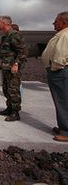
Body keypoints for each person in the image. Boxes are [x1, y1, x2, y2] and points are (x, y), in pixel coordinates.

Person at [41, 11, 68, 142]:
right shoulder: (61, 34)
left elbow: (61, 56)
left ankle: (67, 131)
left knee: (63, 101)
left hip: (60, 71)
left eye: (56, 21)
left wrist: (55, 67)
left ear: (64, 22)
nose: (53, 23)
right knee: (60, 100)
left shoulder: (65, 35)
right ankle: (63, 127)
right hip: (58, 71)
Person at [0, 16, 28, 121]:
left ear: (5, 24)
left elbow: (22, 52)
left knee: (13, 89)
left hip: (12, 67)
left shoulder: (15, 35)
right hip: (5, 66)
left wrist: (16, 64)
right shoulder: (5, 37)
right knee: (6, 89)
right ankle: (9, 108)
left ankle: (15, 112)